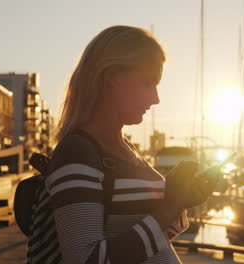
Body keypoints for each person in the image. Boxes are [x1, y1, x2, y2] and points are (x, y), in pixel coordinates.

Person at [47, 25, 221, 264]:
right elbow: (83, 260)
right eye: (148, 83)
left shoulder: (124, 148)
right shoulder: (78, 152)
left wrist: (182, 200)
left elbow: (147, 243)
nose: (156, 98)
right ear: (111, 77)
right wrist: (168, 207)